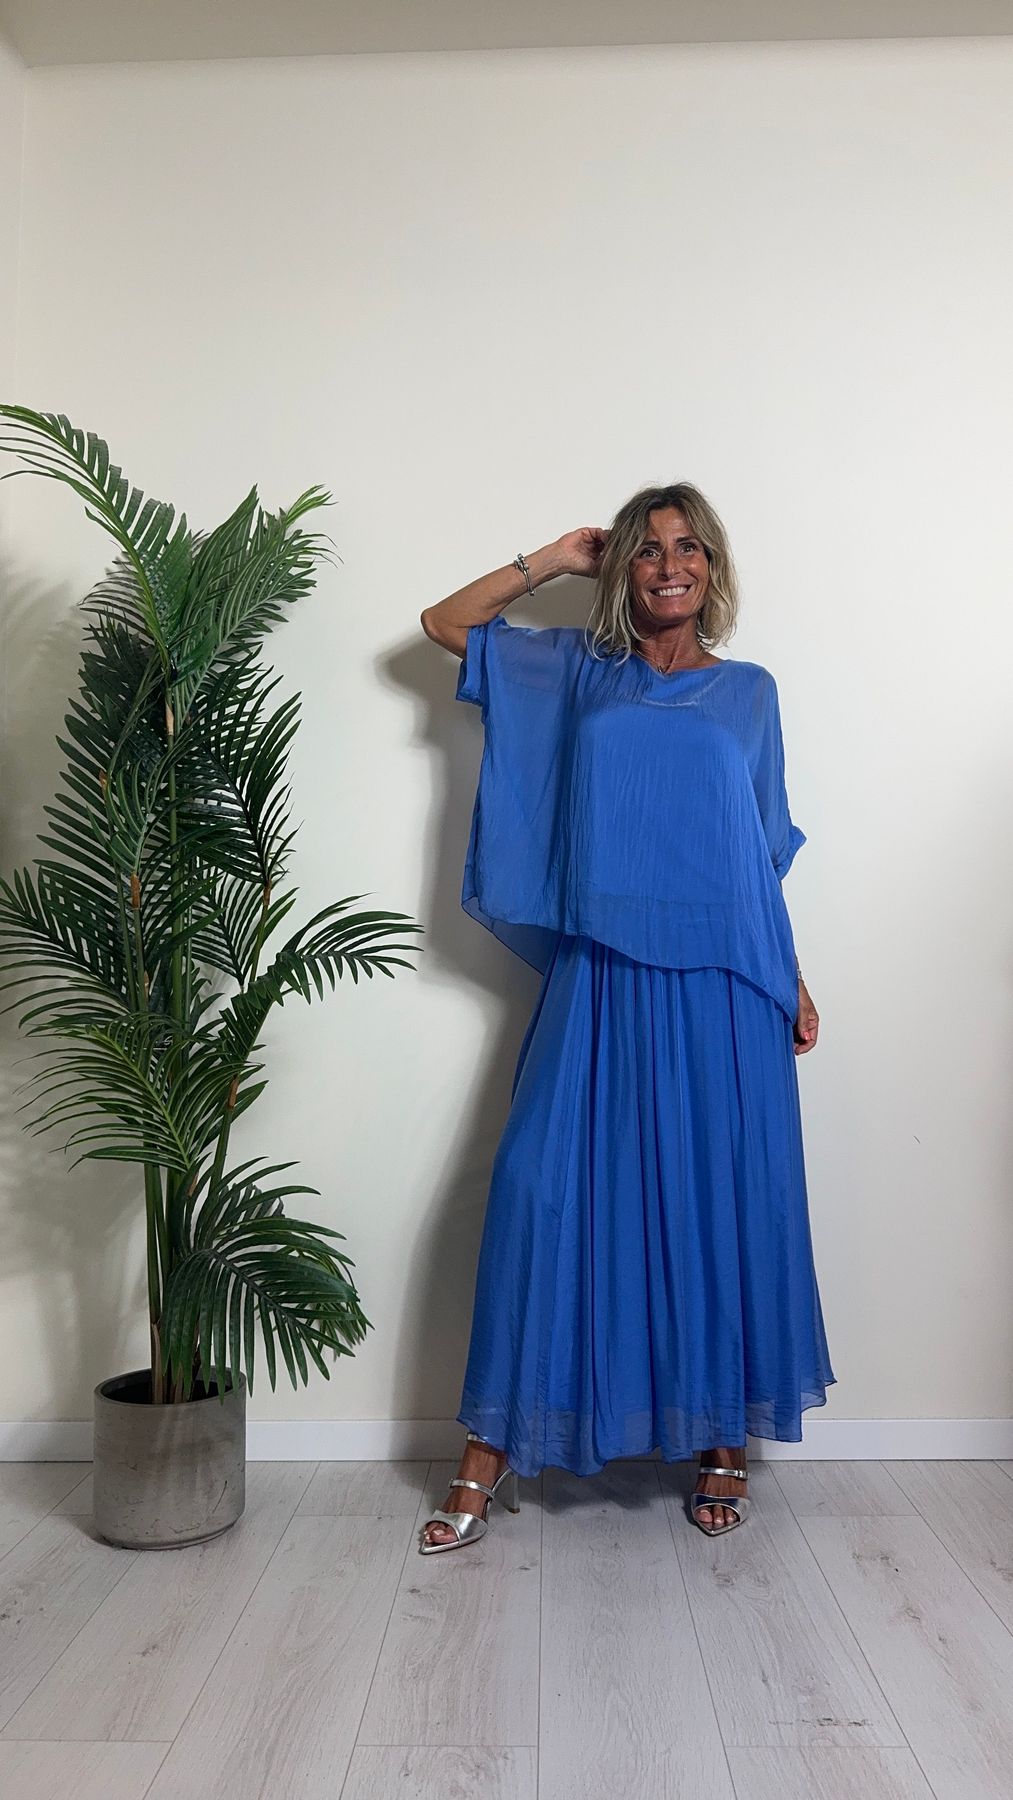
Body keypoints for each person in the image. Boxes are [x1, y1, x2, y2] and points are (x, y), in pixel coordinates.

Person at [418, 481, 835, 1551]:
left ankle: (720, 1440)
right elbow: (445, 624)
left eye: (687, 547)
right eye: (647, 548)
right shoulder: (578, 673)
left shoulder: (749, 693)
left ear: (712, 566)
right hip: (602, 973)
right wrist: (555, 558)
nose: (668, 564)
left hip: (725, 982)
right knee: (541, 1189)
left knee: (717, 1198)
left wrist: (790, 976)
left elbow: (760, 852)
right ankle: (487, 1450)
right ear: (623, 569)